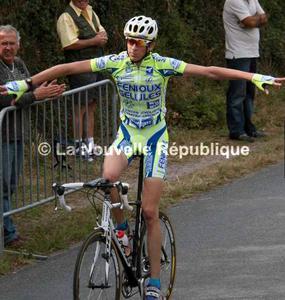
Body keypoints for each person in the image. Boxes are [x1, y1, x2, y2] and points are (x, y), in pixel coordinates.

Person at [1, 16, 283, 299]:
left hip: (154, 139)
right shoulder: (115, 61)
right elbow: (67, 66)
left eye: (139, 42)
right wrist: (26, 83)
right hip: (127, 134)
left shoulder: (163, 65)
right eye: (129, 40)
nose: (133, 46)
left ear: (151, 45)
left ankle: (154, 283)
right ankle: (122, 231)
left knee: (149, 212)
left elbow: (209, 71)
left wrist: (252, 76)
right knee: (107, 178)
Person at [0, 25, 65, 247]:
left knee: (9, 185)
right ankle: (9, 234)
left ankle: (7, 231)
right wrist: (34, 96)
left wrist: (47, 91)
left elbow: (28, 89)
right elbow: (4, 100)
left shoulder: (19, 65)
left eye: (11, 43)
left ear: (18, 44)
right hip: (2, 136)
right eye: (3, 43)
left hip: (18, 133)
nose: (7, 47)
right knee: (2, 186)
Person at [57, 0, 108, 159]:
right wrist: (95, 41)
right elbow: (68, 44)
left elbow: (102, 33)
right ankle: (79, 146)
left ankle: (90, 144)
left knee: (92, 106)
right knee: (79, 108)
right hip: (79, 68)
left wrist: (102, 38)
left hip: (96, 65)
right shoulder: (66, 17)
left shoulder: (91, 11)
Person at [223, 0, 268, 142]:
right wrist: (253, 20)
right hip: (238, 54)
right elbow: (248, 21)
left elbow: (263, 18)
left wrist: (254, 20)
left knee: (249, 93)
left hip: (252, 53)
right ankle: (236, 131)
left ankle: (249, 128)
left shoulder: (252, 0)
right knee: (237, 93)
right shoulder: (234, 0)